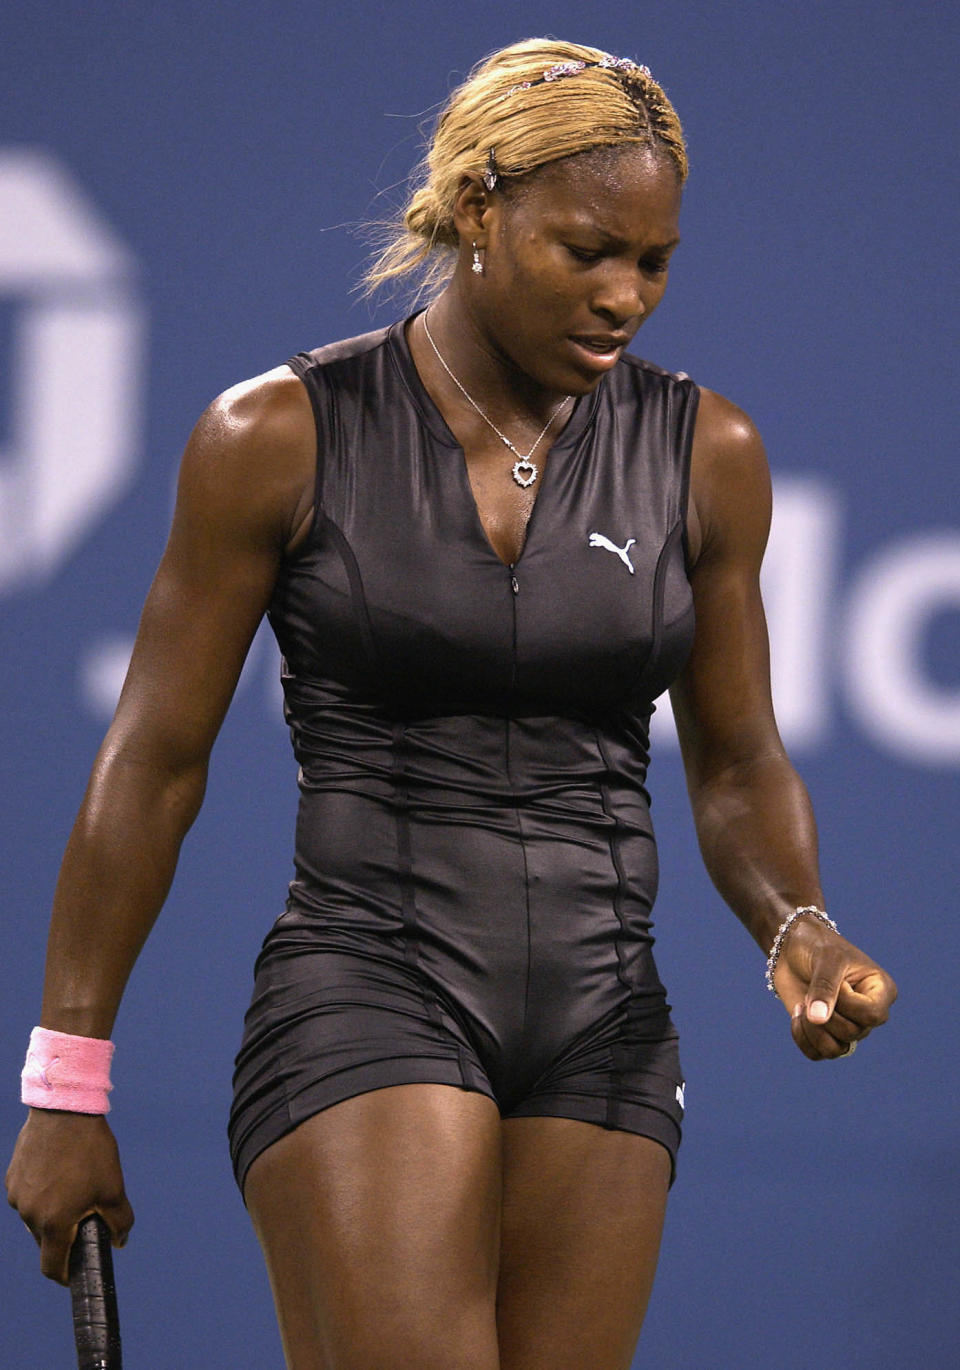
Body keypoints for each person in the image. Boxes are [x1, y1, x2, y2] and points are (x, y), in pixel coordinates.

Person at [6, 37, 897, 1370]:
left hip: (608, 1021)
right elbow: (152, 761)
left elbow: (736, 759)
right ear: (480, 211)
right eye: (587, 249)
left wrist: (799, 923)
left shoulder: (710, 455)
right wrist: (66, 1078)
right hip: (368, 986)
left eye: (652, 261)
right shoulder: (274, 434)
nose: (624, 296)